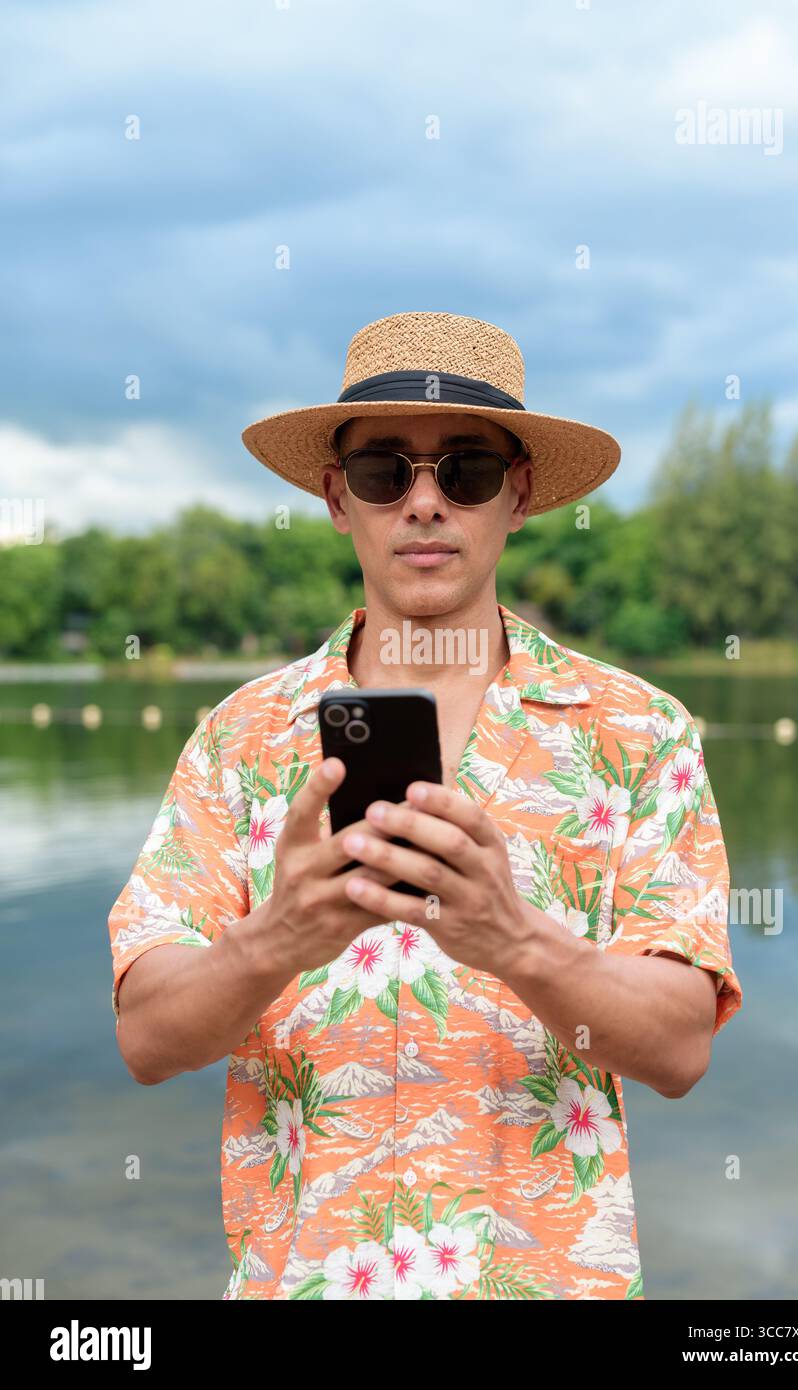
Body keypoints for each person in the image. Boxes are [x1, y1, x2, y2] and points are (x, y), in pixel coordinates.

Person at [108, 310, 742, 1300]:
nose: (425, 502)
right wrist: (273, 938)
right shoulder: (238, 740)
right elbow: (148, 1039)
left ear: (518, 493)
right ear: (335, 497)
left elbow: (680, 1047)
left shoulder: (639, 733)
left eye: (467, 471)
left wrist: (514, 937)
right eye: (383, 471)